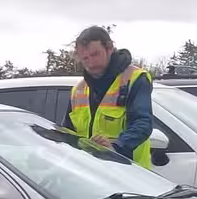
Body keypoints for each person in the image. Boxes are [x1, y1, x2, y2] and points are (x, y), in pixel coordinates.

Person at [62, 26, 154, 168]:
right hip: (91, 172)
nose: (91, 63)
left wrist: (115, 147)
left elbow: (142, 123)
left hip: (130, 171)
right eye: (85, 58)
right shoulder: (78, 91)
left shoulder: (134, 79)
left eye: (95, 54)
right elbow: (67, 132)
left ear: (109, 48)